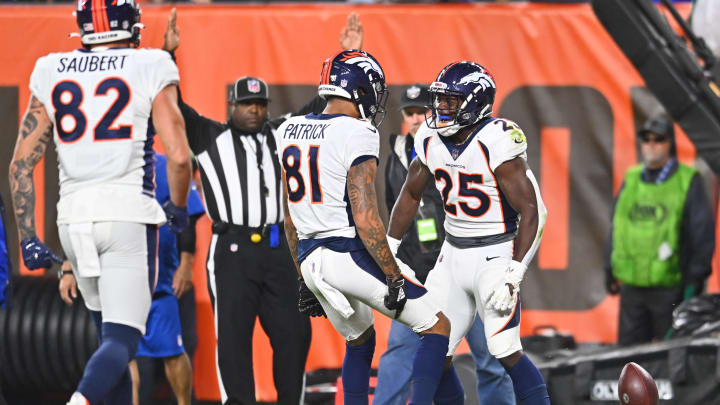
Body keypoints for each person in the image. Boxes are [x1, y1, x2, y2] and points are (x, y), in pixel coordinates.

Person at [159, 10, 368, 405]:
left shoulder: (284, 130)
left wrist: (349, 55)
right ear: (231, 106)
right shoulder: (210, 136)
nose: (254, 110)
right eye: (246, 103)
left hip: (278, 250)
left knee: (294, 334)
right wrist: (169, 56)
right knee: (234, 341)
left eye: (260, 103)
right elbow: (175, 107)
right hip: (232, 250)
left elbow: (320, 106)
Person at [9, 1, 192, 404]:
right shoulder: (150, 63)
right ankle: (80, 400)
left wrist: (27, 237)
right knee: (123, 342)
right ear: (132, 26)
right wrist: (178, 212)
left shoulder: (50, 67)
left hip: (72, 223)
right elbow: (179, 156)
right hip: (128, 217)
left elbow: (20, 164)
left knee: (109, 342)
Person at [277, 49, 451, 405]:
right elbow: (366, 215)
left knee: (361, 341)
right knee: (437, 327)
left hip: (311, 259)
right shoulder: (357, 130)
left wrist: (302, 277)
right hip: (346, 253)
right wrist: (392, 274)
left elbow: (290, 218)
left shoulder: (288, 129)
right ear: (358, 88)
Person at [387, 61, 550, 405]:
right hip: (452, 254)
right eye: (440, 100)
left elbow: (534, 210)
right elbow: (410, 194)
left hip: (494, 252)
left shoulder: (497, 139)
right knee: (434, 347)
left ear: (475, 102)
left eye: (451, 101)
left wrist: (515, 271)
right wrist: (389, 246)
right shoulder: (429, 138)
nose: (440, 108)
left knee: (504, 348)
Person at [374, 84, 515, 405]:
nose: (415, 119)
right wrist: (392, 257)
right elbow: (398, 208)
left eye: (422, 111)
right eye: (409, 113)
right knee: (401, 353)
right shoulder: (396, 153)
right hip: (419, 273)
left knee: (492, 358)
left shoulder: (462, 147)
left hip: (467, 264)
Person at [605, 115, 715, 346]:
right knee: (627, 360)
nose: (652, 144)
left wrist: (695, 279)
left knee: (671, 357)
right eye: (646, 138)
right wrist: (609, 265)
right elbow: (618, 224)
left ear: (670, 143)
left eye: (659, 138)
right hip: (632, 289)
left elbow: (701, 233)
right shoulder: (632, 178)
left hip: (671, 288)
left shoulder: (687, 181)